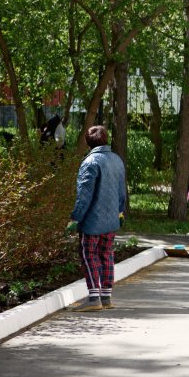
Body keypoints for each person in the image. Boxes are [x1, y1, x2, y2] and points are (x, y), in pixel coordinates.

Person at [66, 125, 127, 312]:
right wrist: (120, 212)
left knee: (89, 255)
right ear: (106, 139)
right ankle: (106, 297)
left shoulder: (90, 162)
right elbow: (121, 191)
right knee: (107, 254)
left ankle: (94, 299)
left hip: (92, 221)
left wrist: (75, 218)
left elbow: (84, 195)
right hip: (111, 220)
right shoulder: (117, 160)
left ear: (87, 141)